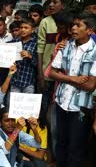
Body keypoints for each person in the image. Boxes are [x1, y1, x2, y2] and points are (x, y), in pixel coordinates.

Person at [49, 12, 96, 167]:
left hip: (80, 109)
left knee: (76, 148)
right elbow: (52, 72)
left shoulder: (94, 52)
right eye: (73, 25)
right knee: (61, 143)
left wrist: (64, 76)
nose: (73, 28)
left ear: (89, 30)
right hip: (62, 103)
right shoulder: (66, 45)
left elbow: (90, 85)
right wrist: (73, 78)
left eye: (78, 25)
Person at [37, 0, 66, 121]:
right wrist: (40, 73)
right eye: (50, 2)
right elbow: (40, 48)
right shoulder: (45, 22)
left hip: (64, 75)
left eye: (55, 2)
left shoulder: (69, 24)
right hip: (47, 73)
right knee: (44, 107)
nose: (52, 5)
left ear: (63, 5)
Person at [10, 17, 37, 93]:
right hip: (15, 80)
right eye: (21, 27)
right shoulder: (15, 41)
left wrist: (30, 56)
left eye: (26, 28)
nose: (23, 30)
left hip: (28, 82)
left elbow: (38, 63)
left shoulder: (36, 43)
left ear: (32, 30)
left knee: (27, 104)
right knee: (13, 104)